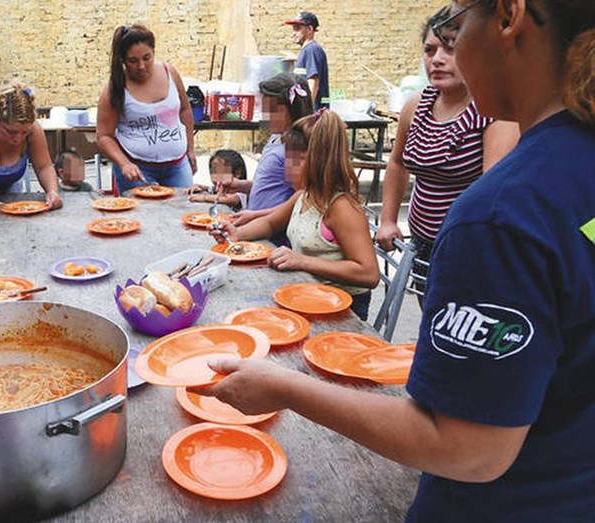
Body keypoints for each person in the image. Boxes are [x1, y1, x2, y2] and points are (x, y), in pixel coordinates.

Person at [195, 1, 595, 520]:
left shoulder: (502, 217)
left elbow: (467, 448)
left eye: (456, 25)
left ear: (508, 17)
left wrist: (283, 386)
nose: (448, 49)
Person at [375, 6, 519, 301]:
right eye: (429, 50)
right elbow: (398, 162)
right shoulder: (416, 105)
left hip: (467, 252)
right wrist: (388, 219)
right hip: (421, 246)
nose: (437, 60)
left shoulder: (493, 111)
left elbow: (491, 192)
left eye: (450, 49)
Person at [211, 110, 379, 319]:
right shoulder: (304, 195)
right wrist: (236, 233)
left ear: (321, 161)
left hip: (341, 311)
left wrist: (302, 261)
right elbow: (271, 223)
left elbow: (369, 274)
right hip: (307, 295)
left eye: (297, 160)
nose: (288, 168)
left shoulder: (341, 207)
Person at [95, 24, 196, 194]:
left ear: (154, 52)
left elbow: (185, 110)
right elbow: (104, 136)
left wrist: (190, 149)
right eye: (133, 61)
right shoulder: (115, 88)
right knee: (141, 216)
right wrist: (124, 163)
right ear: (123, 61)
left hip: (177, 165)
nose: (141, 66)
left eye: (147, 58)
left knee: (181, 211)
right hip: (138, 169)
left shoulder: (169, 72)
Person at [221, 72, 314, 245]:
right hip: (256, 228)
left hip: (274, 237)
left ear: (289, 111)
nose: (264, 115)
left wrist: (257, 215)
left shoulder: (294, 150)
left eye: (270, 110)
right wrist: (241, 185)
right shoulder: (275, 138)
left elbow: (300, 201)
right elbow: (271, 185)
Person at [284, 12, 329, 110]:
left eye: (297, 28)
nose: (294, 33)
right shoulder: (309, 51)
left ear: (309, 29)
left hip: (314, 115)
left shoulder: (312, 49)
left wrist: (306, 111)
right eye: (293, 29)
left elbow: (313, 83)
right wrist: (297, 59)